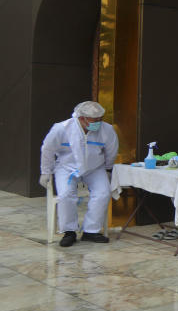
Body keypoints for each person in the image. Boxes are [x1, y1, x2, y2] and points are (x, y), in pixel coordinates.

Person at [39, 101, 119, 246]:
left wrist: (108, 169)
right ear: (82, 118)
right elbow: (47, 150)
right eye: (95, 120)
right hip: (67, 167)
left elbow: (111, 151)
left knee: (103, 193)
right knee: (65, 195)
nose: (99, 123)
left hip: (95, 168)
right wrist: (46, 172)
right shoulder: (61, 129)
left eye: (101, 119)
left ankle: (91, 231)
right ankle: (69, 232)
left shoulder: (107, 130)